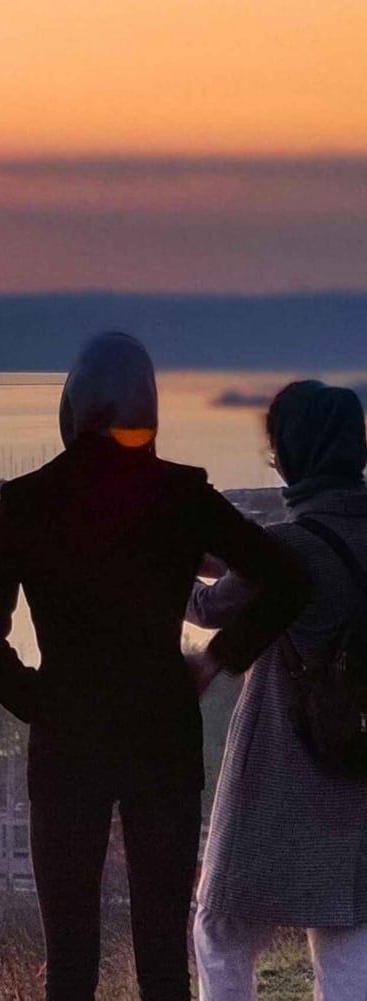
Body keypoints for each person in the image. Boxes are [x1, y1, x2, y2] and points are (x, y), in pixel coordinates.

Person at [0, 332, 306, 1001]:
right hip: (161, 733)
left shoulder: (27, 500)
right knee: (163, 960)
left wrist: (40, 702)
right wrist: (218, 659)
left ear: (73, 406)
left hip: (66, 742)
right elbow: (286, 580)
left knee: (69, 962)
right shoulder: (183, 493)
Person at [190, 380, 367, 1000]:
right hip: (359, 762)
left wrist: (166, 559)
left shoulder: (291, 544)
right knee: (347, 921)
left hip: (282, 762)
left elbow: (210, 608)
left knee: (221, 923)